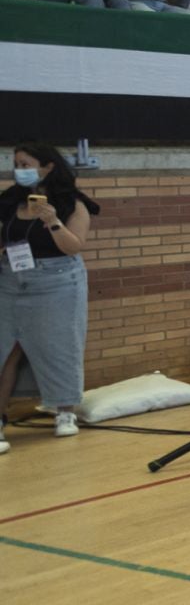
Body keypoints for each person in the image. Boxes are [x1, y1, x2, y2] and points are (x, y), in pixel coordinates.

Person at [0, 143, 100, 451]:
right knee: (7, 350)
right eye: (16, 163)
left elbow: (73, 246)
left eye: (26, 163)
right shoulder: (8, 200)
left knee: (59, 346)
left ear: (48, 167)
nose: (19, 169)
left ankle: (64, 412)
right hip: (12, 282)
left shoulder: (72, 203)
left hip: (57, 283)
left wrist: (52, 221)